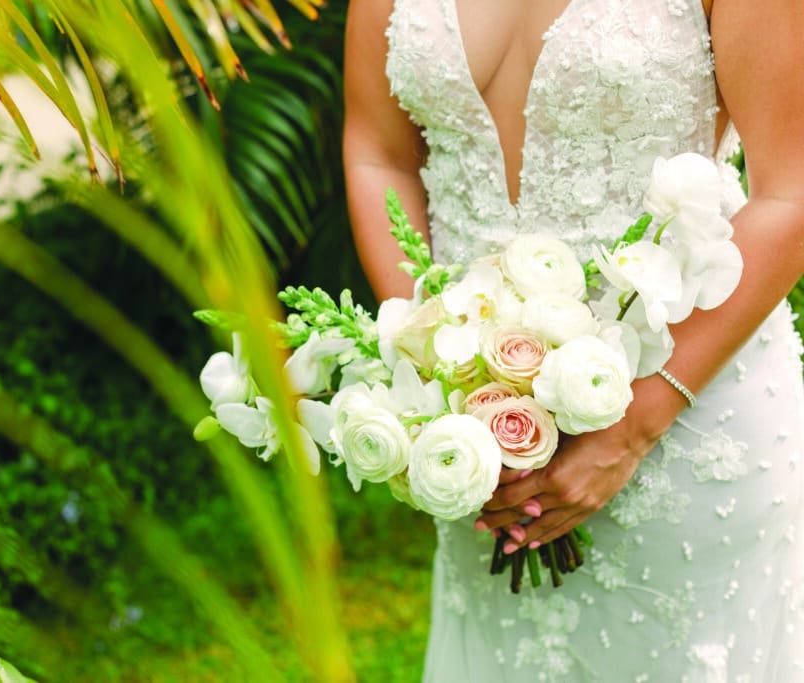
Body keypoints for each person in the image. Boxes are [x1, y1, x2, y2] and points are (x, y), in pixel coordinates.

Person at [343, 1, 804, 680]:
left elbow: (790, 192)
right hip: (492, 449)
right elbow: (379, 153)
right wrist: (438, 371)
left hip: (693, 426)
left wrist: (628, 432)